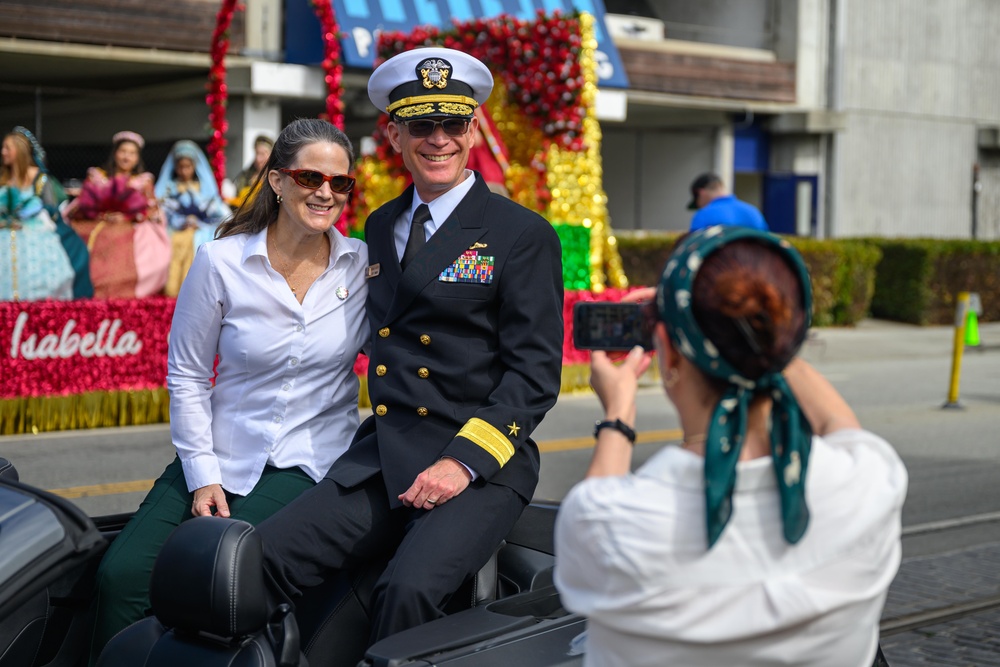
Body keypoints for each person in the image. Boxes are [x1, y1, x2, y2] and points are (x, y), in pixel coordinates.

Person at [255, 47, 565, 646]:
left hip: (479, 462)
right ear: (394, 133)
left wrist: (461, 464)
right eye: (421, 125)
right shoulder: (379, 224)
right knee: (260, 559)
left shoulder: (521, 234)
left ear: (473, 129)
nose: (438, 139)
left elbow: (533, 376)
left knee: (407, 593)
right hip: (388, 452)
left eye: (453, 123)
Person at [554, 226, 908, 667]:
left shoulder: (610, 523)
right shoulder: (870, 481)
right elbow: (838, 422)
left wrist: (618, 414)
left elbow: (595, 504)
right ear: (790, 335)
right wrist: (761, 332)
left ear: (668, 351)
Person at [86, 119, 368, 665]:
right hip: (217, 453)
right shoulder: (221, 260)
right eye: (311, 177)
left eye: (340, 182)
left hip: (306, 466)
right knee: (121, 579)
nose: (326, 192)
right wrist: (203, 475)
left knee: (218, 581)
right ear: (277, 181)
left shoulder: (363, 266)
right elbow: (189, 373)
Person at [65, 131, 171, 298]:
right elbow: (83, 203)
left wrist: (127, 216)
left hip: (130, 225)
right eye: (123, 151)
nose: (126, 157)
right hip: (98, 222)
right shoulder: (98, 177)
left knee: (118, 238)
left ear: (137, 158)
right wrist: (100, 214)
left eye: (132, 153)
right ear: (115, 154)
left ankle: (119, 290)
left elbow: (150, 209)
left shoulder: (143, 181)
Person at [1, 126, 93, 299]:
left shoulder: (41, 179)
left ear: (20, 152)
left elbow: (51, 208)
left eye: (7, 148)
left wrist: (29, 215)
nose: (3, 152)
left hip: (36, 227)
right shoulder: (4, 179)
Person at [155, 139, 232, 296]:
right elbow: (161, 211)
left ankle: (190, 294)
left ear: (194, 167)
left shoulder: (203, 189)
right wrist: (179, 221)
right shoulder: (169, 188)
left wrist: (200, 223)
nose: (184, 171)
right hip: (174, 232)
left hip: (199, 232)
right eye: (180, 167)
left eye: (188, 167)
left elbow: (220, 214)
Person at [687, 171, 768, 232]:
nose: (700, 206)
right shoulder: (754, 212)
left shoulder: (703, 215)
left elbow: (694, 248)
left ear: (701, 193)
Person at [228, 133, 274, 206]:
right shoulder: (245, 176)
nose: (258, 159)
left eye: (262, 154)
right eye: (257, 153)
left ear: (271, 155)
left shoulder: (275, 179)